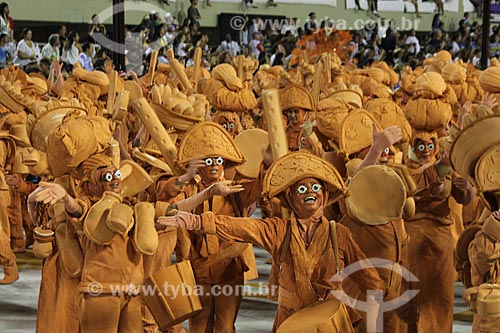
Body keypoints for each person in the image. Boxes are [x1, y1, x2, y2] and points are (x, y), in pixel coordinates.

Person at [159, 151, 390, 332]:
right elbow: (243, 227)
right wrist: (197, 221)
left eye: (315, 187)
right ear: (291, 198)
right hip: (289, 322)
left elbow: (371, 281)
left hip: (330, 320)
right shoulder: (279, 230)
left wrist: (374, 320)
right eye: (302, 188)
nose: (310, 192)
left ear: (325, 194)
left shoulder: (339, 234)